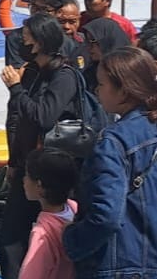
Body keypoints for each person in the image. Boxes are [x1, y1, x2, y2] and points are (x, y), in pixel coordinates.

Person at [0, 14, 83, 278]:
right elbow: (20, 119)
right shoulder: (33, 71)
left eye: (27, 40)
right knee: (11, 235)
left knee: (48, 234)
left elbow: (43, 116)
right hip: (28, 163)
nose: (22, 44)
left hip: (51, 169)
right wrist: (14, 161)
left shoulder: (64, 76)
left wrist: (16, 89)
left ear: (40, 42)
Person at [63, 47, 157, 276]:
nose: (96, 90)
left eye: (101, 84)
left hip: (123, 264)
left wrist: (72, 240)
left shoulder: (114, 141)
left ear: (123, 91)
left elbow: (107, 216)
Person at [20, 148, 79, 279]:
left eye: (27, 175)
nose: (24, 180)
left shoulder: (42, 234)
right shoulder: (76, 210)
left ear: (39, 186)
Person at [78, 17, 130, 91]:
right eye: (87, 41)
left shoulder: (131, 72)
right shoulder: (89, 72)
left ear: (108, 40)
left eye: (93, 40)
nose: (89, 47)